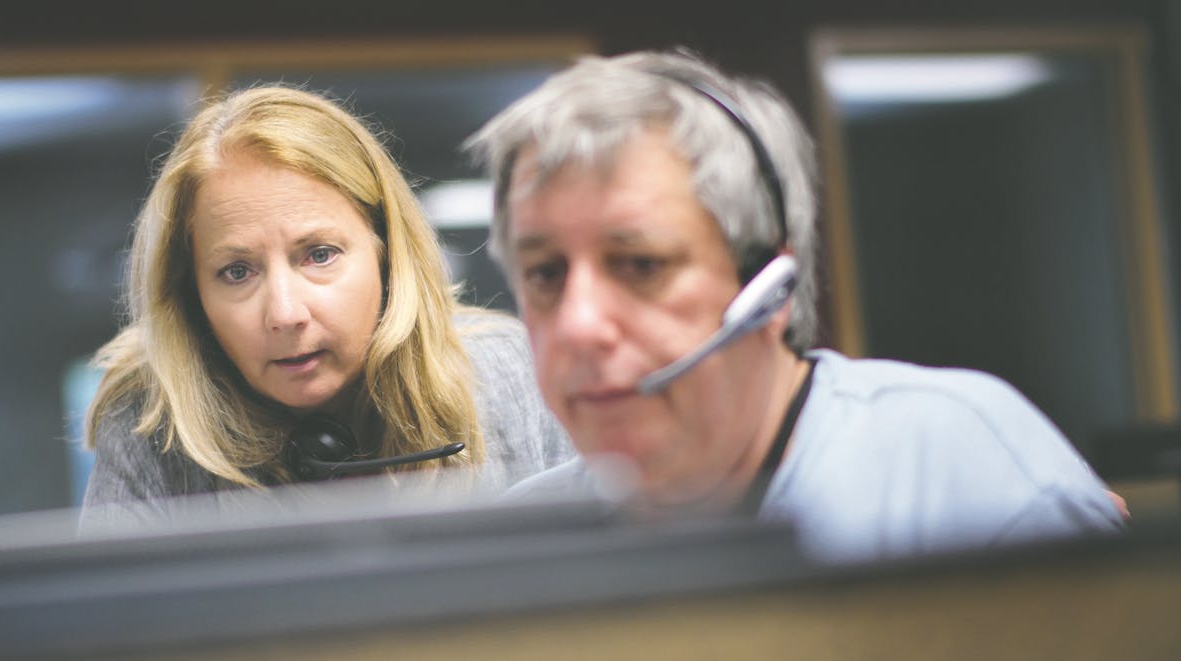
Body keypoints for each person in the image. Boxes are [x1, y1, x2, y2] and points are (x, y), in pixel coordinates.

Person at [466, 49, 1124, 564]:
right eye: (545, 273)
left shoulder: (961, 468)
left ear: (769, 289)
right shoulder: (520, 544)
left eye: (641, 264)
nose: (578, 324)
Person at [80, 86, 573, 531]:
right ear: (193, 298)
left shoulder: (508, 376)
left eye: (319, 255)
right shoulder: (150, 428)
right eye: (236, 272)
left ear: (388, 255)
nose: (285, 313)